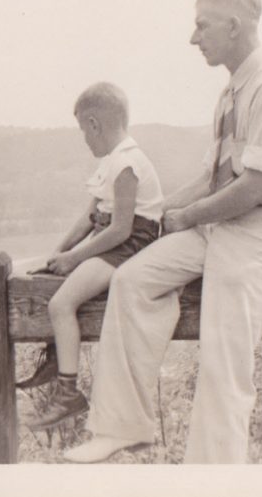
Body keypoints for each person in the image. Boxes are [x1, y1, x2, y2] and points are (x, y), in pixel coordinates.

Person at [63, 0, 262, 463]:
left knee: (223, 362)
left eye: (202, 25)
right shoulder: (233, 91)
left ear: (235, 25)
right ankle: (123, 426)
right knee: (133, 279)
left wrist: (183, 217)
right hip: (226, 224)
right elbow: (216, 179)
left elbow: (255, 188)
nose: (193, 38)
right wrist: (164, 213)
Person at [17, 82, 164, 431]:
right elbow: (90, 217)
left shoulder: (126, 163)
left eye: (84, 129)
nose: (84, 139)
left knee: (60, 304)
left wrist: (74, 259)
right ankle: (56, 358)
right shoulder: (113, 160)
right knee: (48, 279)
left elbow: (121, 229)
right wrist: (59, 254)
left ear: (95, 124)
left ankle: (69, 392)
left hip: (127, 247)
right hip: (110, 241)